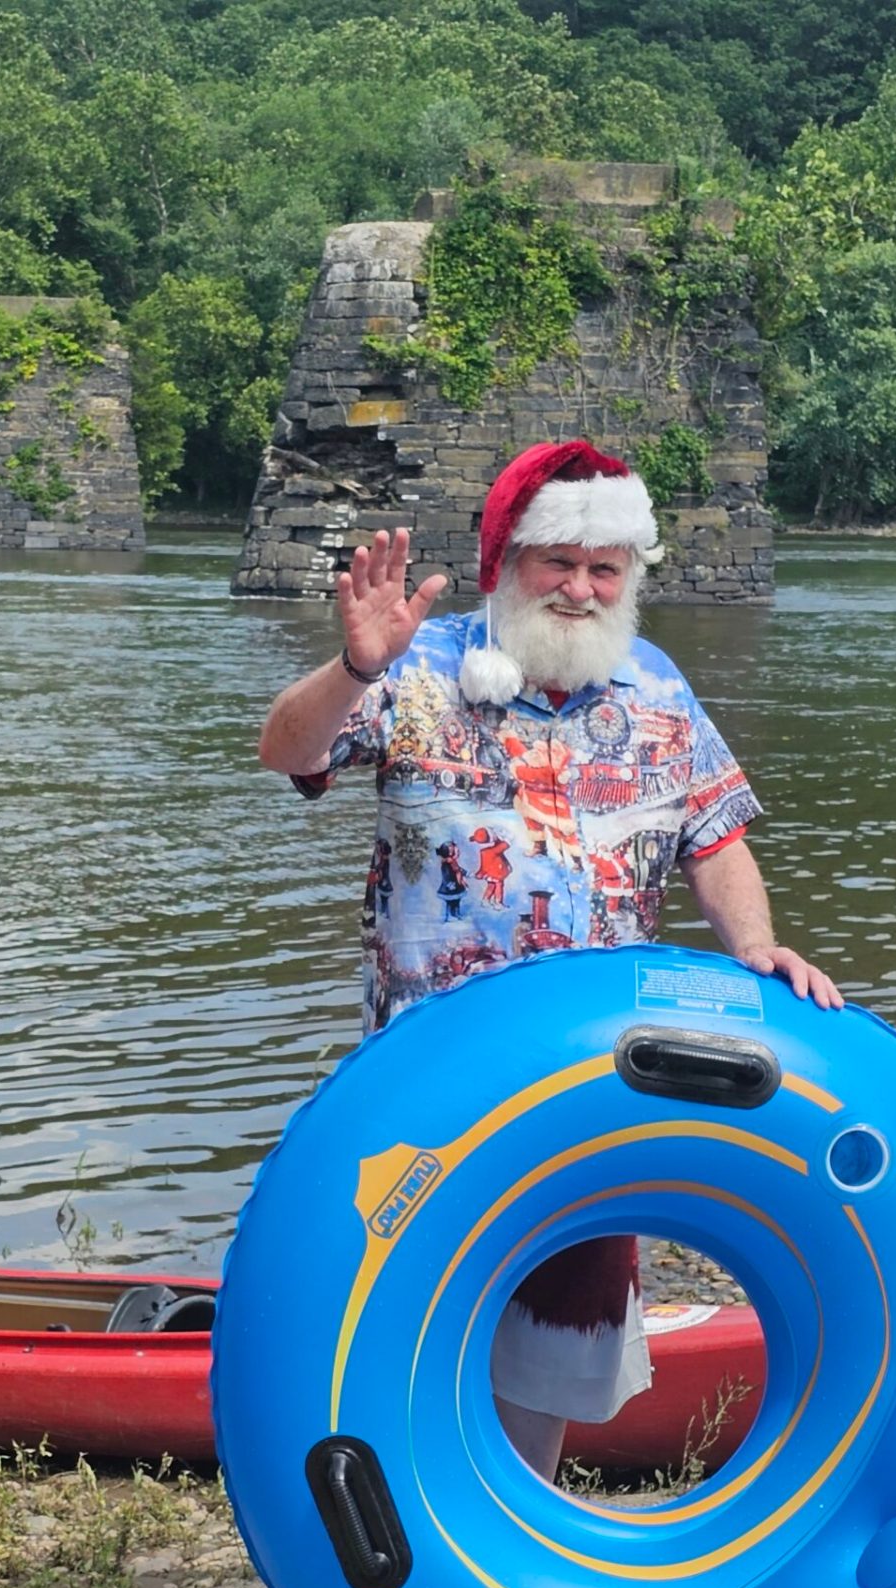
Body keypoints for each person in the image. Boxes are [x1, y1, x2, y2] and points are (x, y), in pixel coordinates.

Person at [257, 439, 840, 1485]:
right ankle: (396, 1565)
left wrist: (755, 948)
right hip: (432, 1087)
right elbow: (287, 753)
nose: (579, 587)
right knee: (406, 1334)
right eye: (556, 561)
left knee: (560, 1335)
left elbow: (715, 837)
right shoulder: (417, 667)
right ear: (505, 561)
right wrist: (354, 667)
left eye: (603, 568)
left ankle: (509, 1543)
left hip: (592, 1084)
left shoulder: (658, 688)